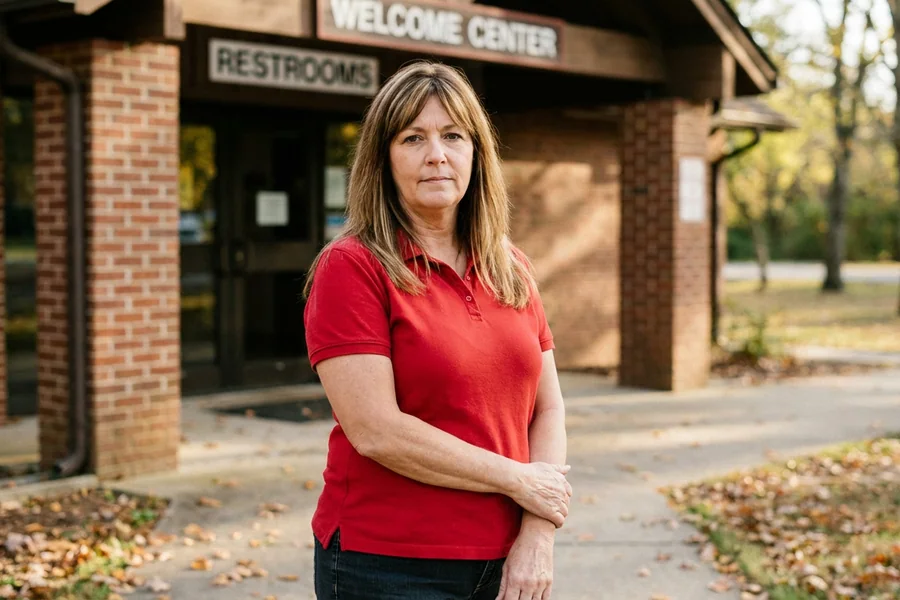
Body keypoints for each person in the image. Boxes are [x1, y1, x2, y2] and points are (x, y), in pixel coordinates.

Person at [303, 60, 571, 600]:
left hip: (508, 558)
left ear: (476, 153)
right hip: (389, 565)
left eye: (452, 135)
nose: (436, 155)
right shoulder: (352, 267)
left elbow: (548, 409)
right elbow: (376, 430)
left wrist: (538, 533)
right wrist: (519, 480)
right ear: (383, 159)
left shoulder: (511, 267)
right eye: (412, 138)